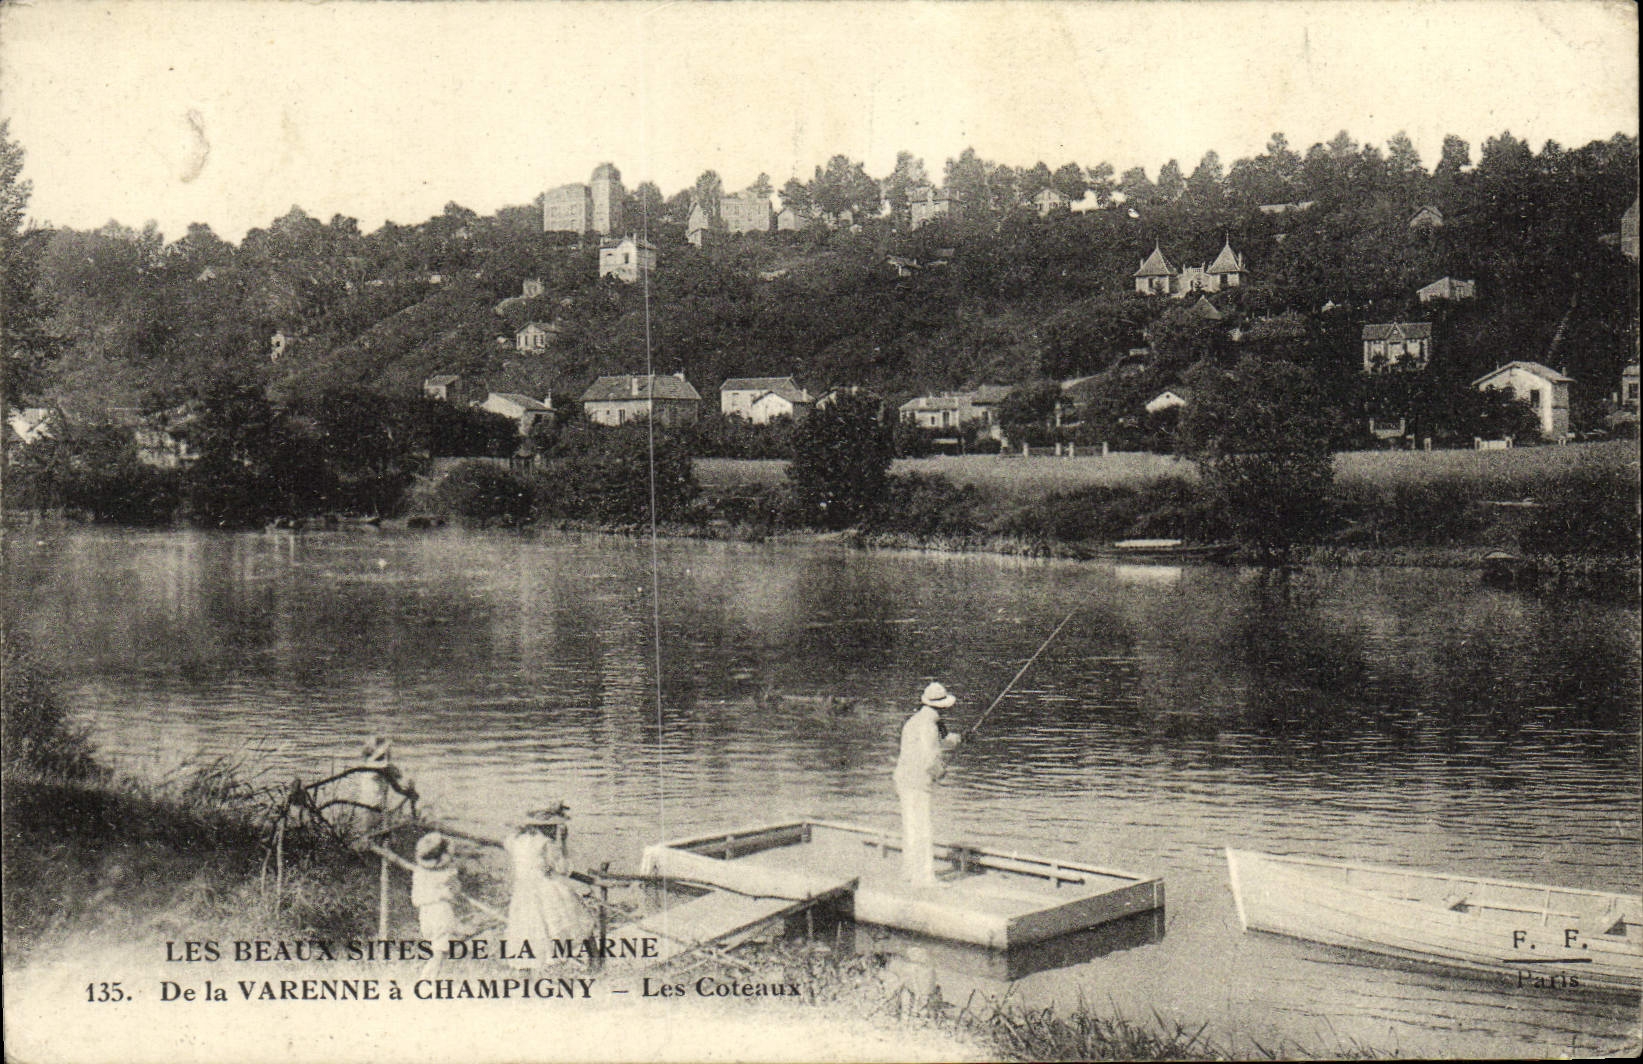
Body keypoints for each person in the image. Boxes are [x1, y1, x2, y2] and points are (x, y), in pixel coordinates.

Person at [503, 801, 595, 968]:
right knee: (573, 921)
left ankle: (535, 962)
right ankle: (576, 961)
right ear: (548, 826)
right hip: (543, 887)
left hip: (523, 890)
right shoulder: (546, 843)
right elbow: (563, 868)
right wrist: (563, 842)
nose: (556, 829)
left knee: (530, 926)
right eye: (554, 826)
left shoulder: (514, 840)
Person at [894, 682, 962, 885]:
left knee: (911, 826)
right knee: (922, 828)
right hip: (916, 782)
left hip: (904, 778)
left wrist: (959, 739)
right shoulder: (929, 725)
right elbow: (930, 758)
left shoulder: (920, 719)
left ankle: (909, 872)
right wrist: (940, 772)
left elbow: (943, 739)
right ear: (943, 707)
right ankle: (924, 878)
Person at [411, 832, 462, 978]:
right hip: (441, 913)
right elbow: (456, 891)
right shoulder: (448, 874)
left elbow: (416, 898)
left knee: (434, 947)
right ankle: (427, 979)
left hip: (425, 914)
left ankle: (428, 976)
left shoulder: (419, 873)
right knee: (439, 953)